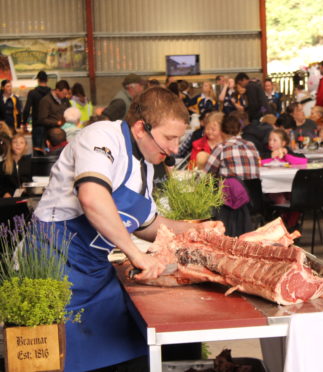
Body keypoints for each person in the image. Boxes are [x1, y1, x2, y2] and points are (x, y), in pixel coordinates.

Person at [34, 87, 220, 371]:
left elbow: (149, 224)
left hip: (94, 272)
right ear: (140, 128)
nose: (173, 148)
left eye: (178, 139)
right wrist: (136, 254)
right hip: (55, 269)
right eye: (169, 138)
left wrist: (197, 232)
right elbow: (92, 198)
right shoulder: (101, 137)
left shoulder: (144, 166)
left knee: (136, 350)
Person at [204, 113, 260, 180]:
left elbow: (206, 176)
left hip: (232, 189)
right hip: (254, 189)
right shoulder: (251, 145)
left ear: (221, 131)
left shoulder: (221, 148)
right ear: (239, 130)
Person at [22, 71, 51, 153]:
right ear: (47, 80)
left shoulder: (33, 93)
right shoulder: (51, 93)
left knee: (37, 148)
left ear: (38, 80)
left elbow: (27, 109)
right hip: (50, 124)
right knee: (48, 147)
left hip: (37, 124)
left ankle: (38, 163)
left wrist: (24, 123)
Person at [0, 133, 32, 197]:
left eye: (21, 142)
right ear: (11, 145)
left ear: (25, 146)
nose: (18, 145)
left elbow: (34, 180)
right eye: (15, 142)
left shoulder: (30, 162)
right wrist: (4, 193)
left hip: (27, 197)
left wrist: (28, 188)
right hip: (9, 199)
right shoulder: (3, 164)